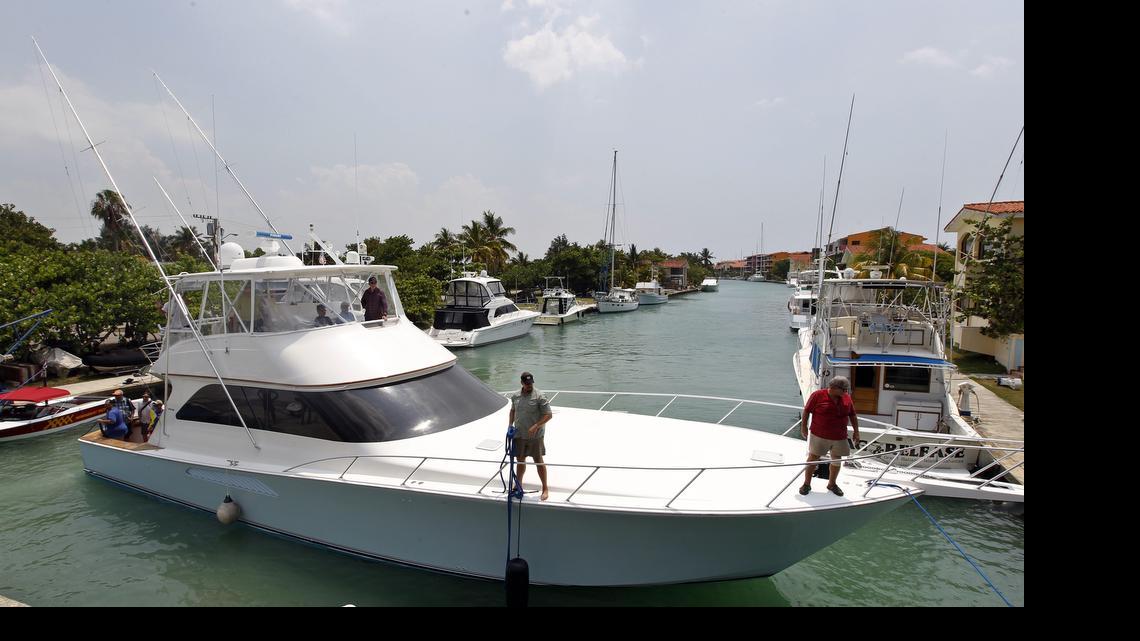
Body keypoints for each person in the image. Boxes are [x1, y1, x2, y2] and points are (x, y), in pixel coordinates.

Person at [800, 376, 860, 496]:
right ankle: (806, 483)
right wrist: (804, 427)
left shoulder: (846, 397)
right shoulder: (817, 395)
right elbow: (807, 411)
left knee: (837, 459)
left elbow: (852, 414)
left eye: (846, 389)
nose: (846, 392)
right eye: (844, 389)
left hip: (840, 436)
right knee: (813, 458)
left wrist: (856, 431)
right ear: (833, 388)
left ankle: (832, 484)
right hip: (819, 434)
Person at [509, 371, 553, 501]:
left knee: (538, 461)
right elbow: (512, 410)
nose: (529, 386)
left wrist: (536, 426)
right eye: (527, 384)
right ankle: (518, 484)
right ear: (522, 383)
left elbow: (548, 415)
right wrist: (509, 425)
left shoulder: (540, 396)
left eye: (531, 383)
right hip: (519, 434)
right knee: (520, 460)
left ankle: (545, 488)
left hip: (535, 437)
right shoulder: (515, 396)